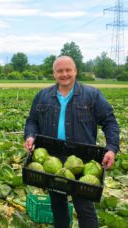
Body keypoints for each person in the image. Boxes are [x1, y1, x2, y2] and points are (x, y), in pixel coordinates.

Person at [24, 56, 119, 228]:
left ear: (75, 71)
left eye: (68, 70)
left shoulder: (91, 95)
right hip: (51, 160)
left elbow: (109, 121)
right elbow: (32, 120)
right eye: (60, 71)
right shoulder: (43, 96)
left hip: (80, 163)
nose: (64, 74)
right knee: (58, 206)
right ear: (54, 73)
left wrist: (111, 148)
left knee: (85, 209)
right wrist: (30, 136)